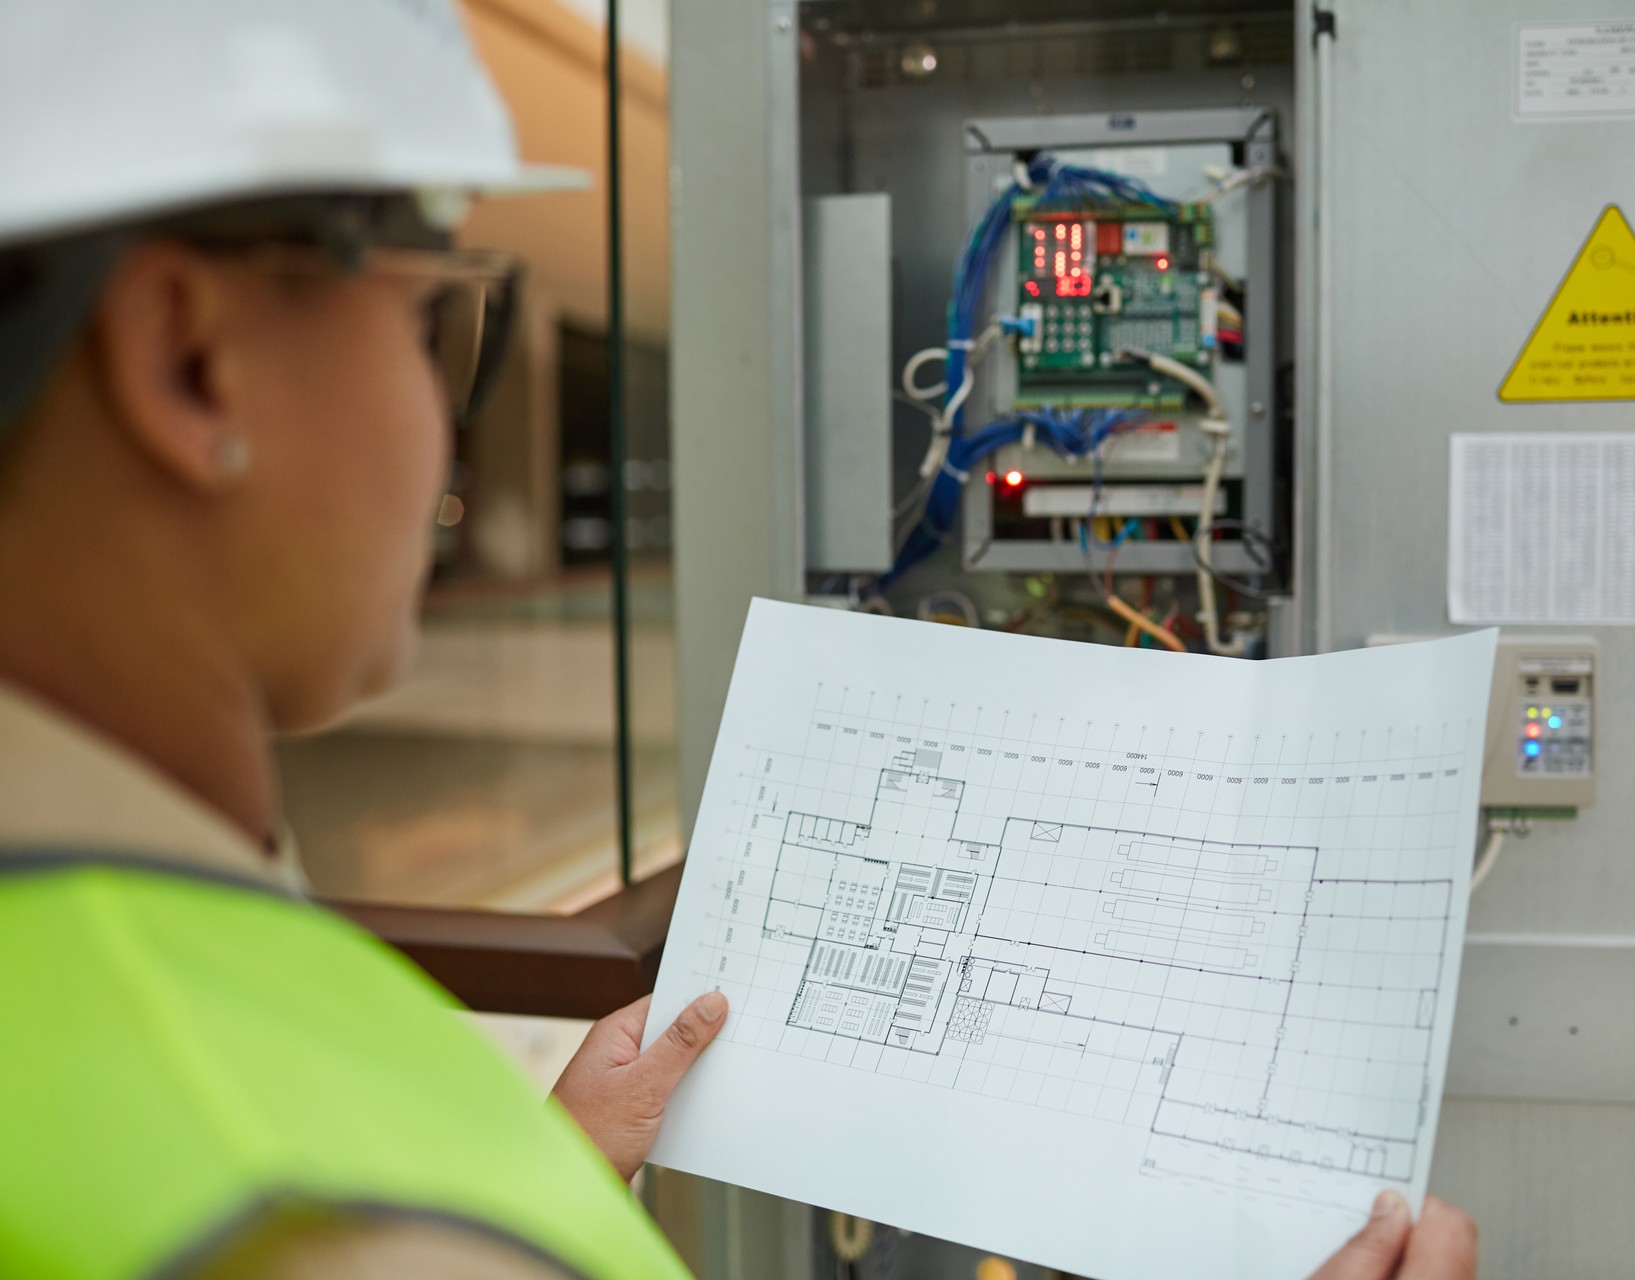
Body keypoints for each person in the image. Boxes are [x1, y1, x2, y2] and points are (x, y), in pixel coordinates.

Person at [0, 2, 1475, 1277]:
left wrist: (551, 1182)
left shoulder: (156, 1013)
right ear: (192, 363)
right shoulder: (302, 1204)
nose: (440, 418)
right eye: (426, 320)